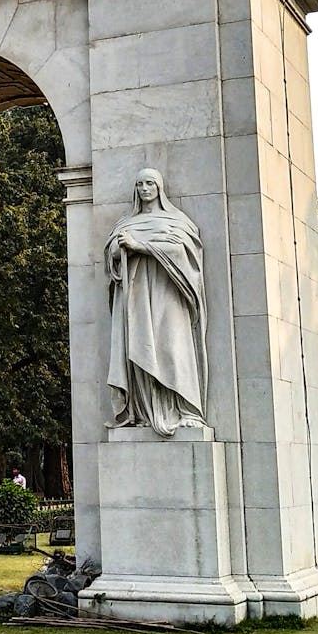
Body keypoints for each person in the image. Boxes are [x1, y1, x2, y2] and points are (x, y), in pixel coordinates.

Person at [104, 168, 208, 438]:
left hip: (167, 292)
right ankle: (142, 412)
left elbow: (185, 253)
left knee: (171, 348)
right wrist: (118, 249)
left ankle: (185, 409)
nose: (144, 188)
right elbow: (112, 260)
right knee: (139, 349)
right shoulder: (126, 223)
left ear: (159, 188)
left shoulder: (176, 221)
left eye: (150, 183)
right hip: (135, 295)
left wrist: (142, 246)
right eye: (139, 184)